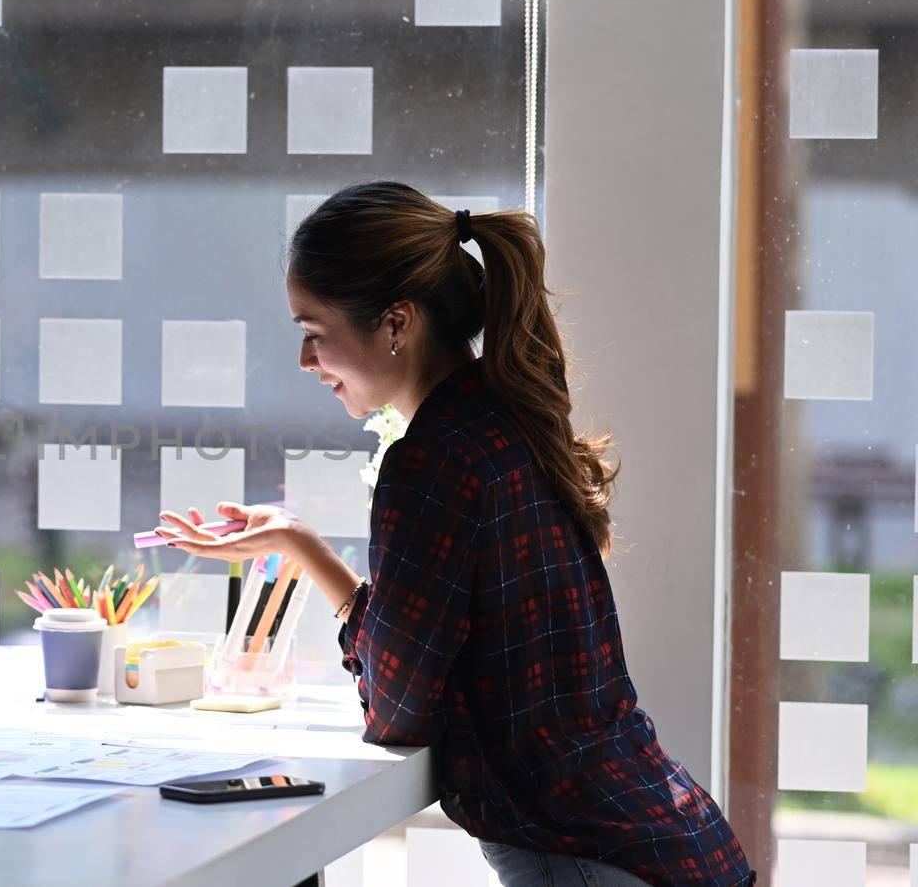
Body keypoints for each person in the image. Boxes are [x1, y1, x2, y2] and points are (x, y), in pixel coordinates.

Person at [155, 182, 753, 886]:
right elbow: (421, 649)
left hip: (587, 860)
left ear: (396, 323)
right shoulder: (508, 422)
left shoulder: (432, 459)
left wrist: (352, 626)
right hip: (671, 840)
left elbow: (398, 709)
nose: (305, 363)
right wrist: (301, 545)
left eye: (313, 334)